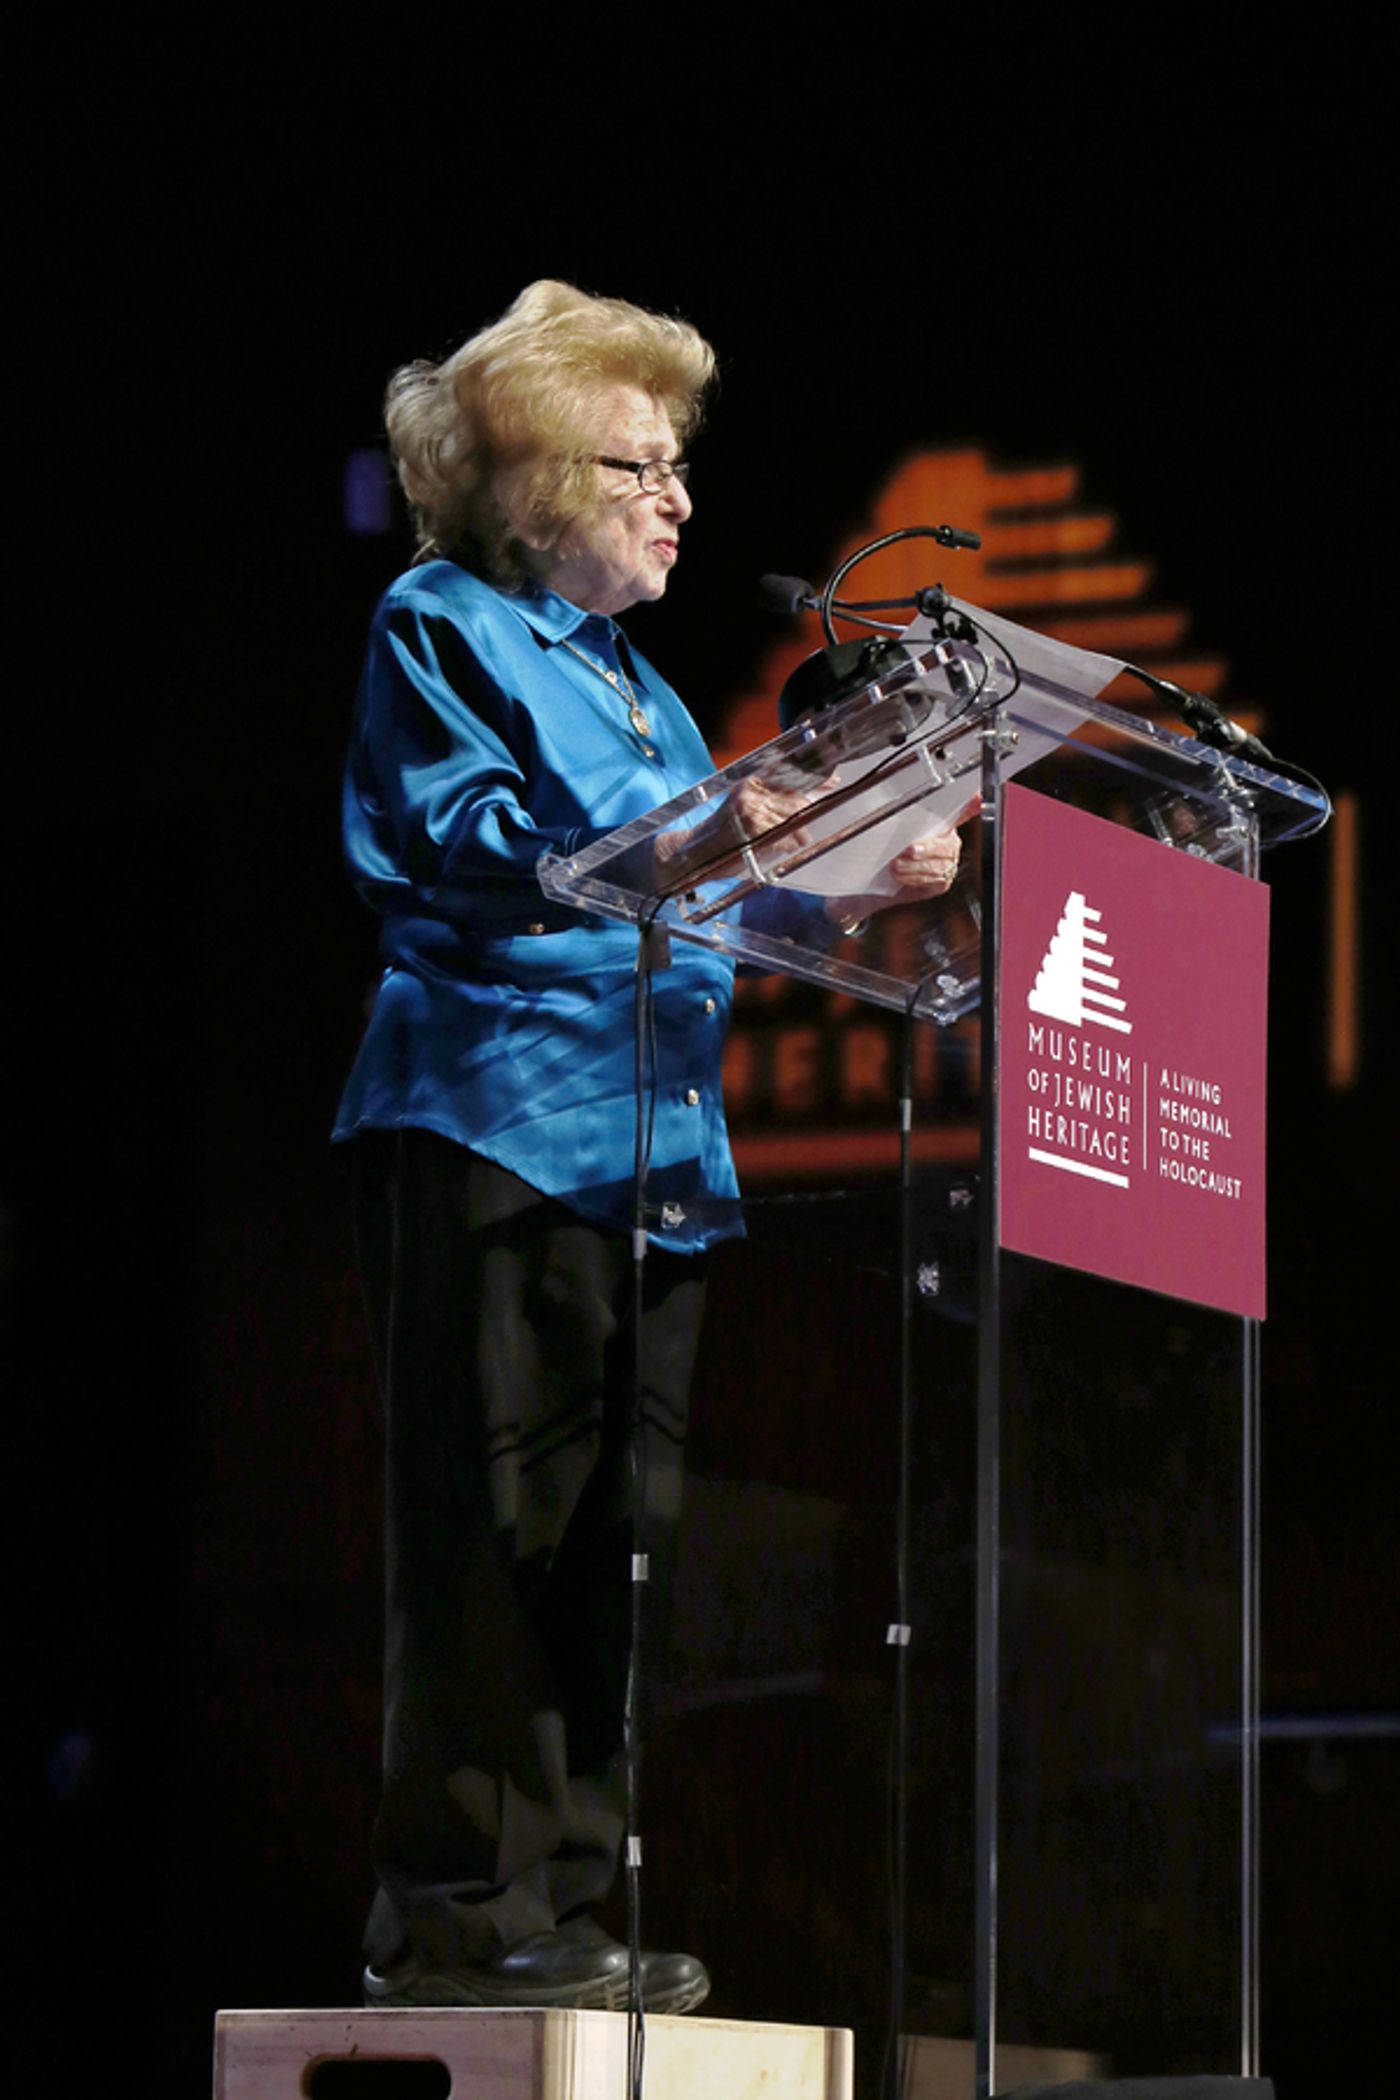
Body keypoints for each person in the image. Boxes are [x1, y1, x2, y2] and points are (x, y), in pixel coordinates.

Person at [334, 280, 962, 2014]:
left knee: (621, 1555)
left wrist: (859, 858)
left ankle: (573, 1918)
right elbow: (466, 842)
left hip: (657, 1165)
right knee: (492, 1547)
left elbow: (717, 869)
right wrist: (718, 826)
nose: (679, 497)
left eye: (678, 467)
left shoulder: (645, 692)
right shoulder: (440, 625)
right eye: (640, 466)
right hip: (497, 1128)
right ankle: (458, 1924)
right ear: (538, 481)